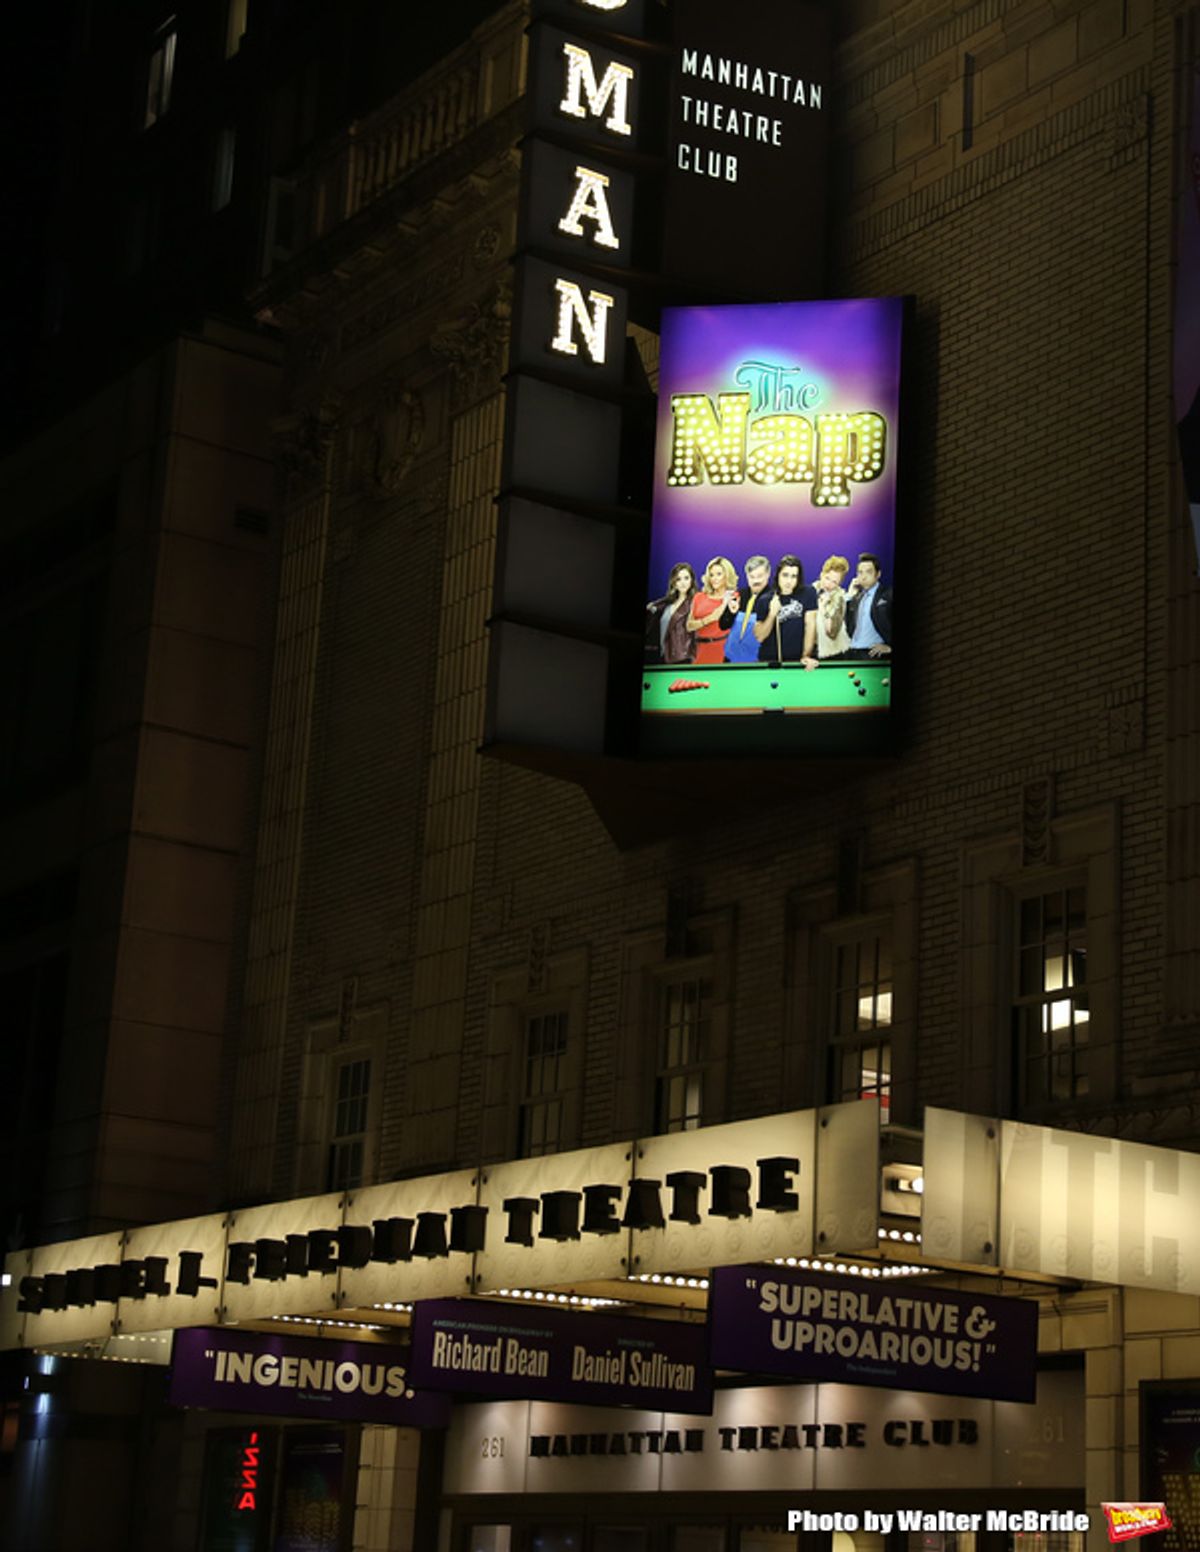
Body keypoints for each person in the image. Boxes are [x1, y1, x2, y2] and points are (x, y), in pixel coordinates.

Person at [753, 554, 817, 667]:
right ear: (778, 576)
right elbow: (760, 636)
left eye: (794, 576)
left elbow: (810, 626)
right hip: (770, 662)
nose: (789, 581)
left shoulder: (808, 593)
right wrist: (772, 614)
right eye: (785, 575)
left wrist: (806, 655)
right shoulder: (765, 599)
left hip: (798, 661)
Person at [687, 556, 740, 664]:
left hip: (722, 649)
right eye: (711, 575)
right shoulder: (699, 597)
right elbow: (689, 626)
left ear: (727, 575)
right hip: (700, 649)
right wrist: (709, 619)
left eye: (719, 574)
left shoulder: (734, 597)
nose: (714, 578)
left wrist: (725, 602)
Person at [645, 563, 697, 665]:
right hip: (662, 656)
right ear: (673, 582)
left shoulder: (695, 603)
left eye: (686, 578)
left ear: (691, 580)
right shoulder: (665, 604)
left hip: (682, 658)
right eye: (678, 579)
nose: (683, 583)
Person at [724, 554, 771, 663]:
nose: (756, 581)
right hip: (730, 659)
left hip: (758, 662)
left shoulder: (774, 598)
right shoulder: (739, 595)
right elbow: (724, 625)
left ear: (768, 574)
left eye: (759, 576)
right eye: (752, 577)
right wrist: (730, 613)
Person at [845, 552, 893, 658]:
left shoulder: (888, 594)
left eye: (868, 572)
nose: (863, 576)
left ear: (878, 574)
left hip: (873, 654)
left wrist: (891, 647)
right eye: (860, 572)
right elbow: (843, 625)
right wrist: (849, 596)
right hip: (852, 653)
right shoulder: (855, 598)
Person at [814, 554, 851, 660]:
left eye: (834, 582)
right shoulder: (809, 592)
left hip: (833, 654)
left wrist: (823, 607)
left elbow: (831, 632)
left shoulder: (840, 599)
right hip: (811, 652)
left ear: (839, 584)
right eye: (827, 578)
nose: (829, 584)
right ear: (821, 574)